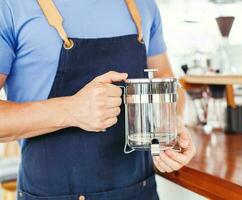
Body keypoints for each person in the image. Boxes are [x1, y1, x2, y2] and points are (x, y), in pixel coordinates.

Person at [0, 0, 195, 199]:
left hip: (139, 190)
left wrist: (173, 122)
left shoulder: (143, 4)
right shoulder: (11, 6)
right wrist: (71, 110)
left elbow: (163, 75)